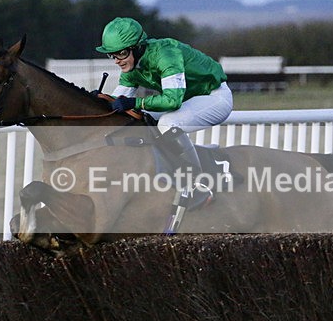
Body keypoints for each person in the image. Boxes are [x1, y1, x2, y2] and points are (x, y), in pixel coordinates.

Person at [96, 17, 233, 207]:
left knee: (168, 123)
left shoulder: (166, 54)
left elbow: (172, 101)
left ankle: (197, 185)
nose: (117, 61)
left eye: (122, 53)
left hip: (215, 98)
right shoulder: (132, 65)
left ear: (137, 47)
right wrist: (98, 100)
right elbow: (117, 102)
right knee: (140, 120)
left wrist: (136, 101)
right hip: (189, 100)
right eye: (113, 55)